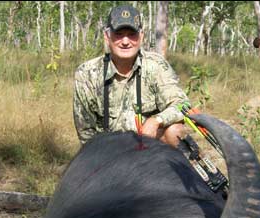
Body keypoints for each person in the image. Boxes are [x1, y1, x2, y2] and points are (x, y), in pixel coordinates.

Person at [73, 4, 189, 147]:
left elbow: (183, 105)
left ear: (141, 36)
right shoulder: (87, 74)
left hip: (150, 147)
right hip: (109, 151)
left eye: (132, 34)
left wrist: (156, 121)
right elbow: (86, 134)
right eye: (119, 34)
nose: (126, 41)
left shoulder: (156, 65)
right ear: (107, 36)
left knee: (175, 131)